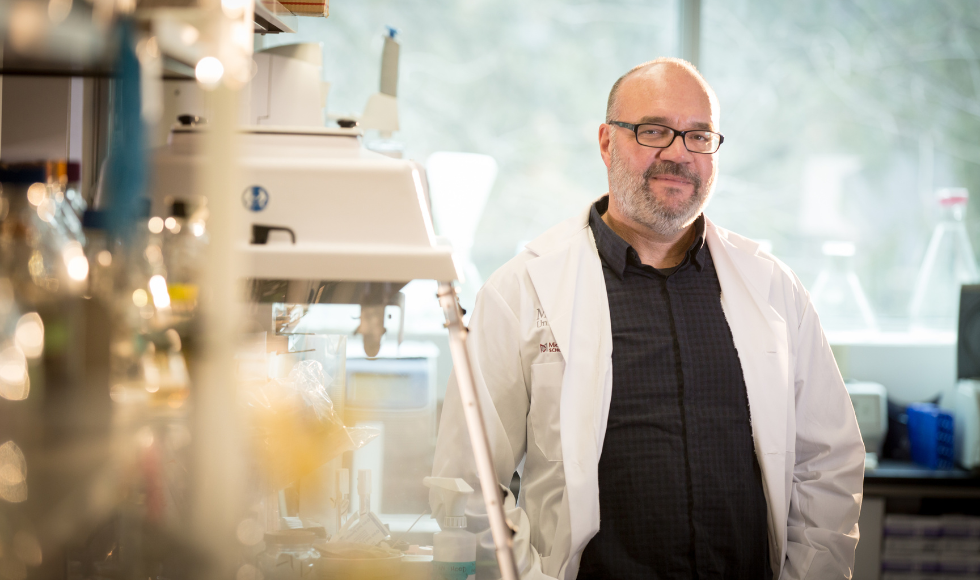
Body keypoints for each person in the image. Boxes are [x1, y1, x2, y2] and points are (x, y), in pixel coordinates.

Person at [431, 57, 865, 580]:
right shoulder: (521, 291)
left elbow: (829, 463)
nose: (679, 154)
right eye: (654, 131)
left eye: (699, 136)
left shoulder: (773, 287)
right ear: (606, 142)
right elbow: (468, 481)